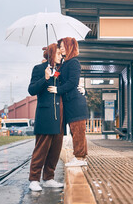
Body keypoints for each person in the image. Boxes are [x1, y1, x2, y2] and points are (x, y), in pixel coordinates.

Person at [28, 43, 64, 192]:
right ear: (50, 54)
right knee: (41, 148)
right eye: (58, 53)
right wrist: (45, 78)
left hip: (60, 114)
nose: (61, 56)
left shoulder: (61, 71)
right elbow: (32, 90)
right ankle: (34, 179)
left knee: (56, 148)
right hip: (45, 113)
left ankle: (49, 178)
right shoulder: (39, 69)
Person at [54, 37, 89, 167]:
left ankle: (79, 158)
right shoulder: (65, 63)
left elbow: (72, 83)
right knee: (76, 131)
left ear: (69, 47)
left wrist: (57, 90)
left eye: (63, 46)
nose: (61, 49)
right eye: (60, 47)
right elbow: (60, 76)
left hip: (75, 103)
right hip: (71, 103)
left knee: (78, 131)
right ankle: (82, 157)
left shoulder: (73, 62)